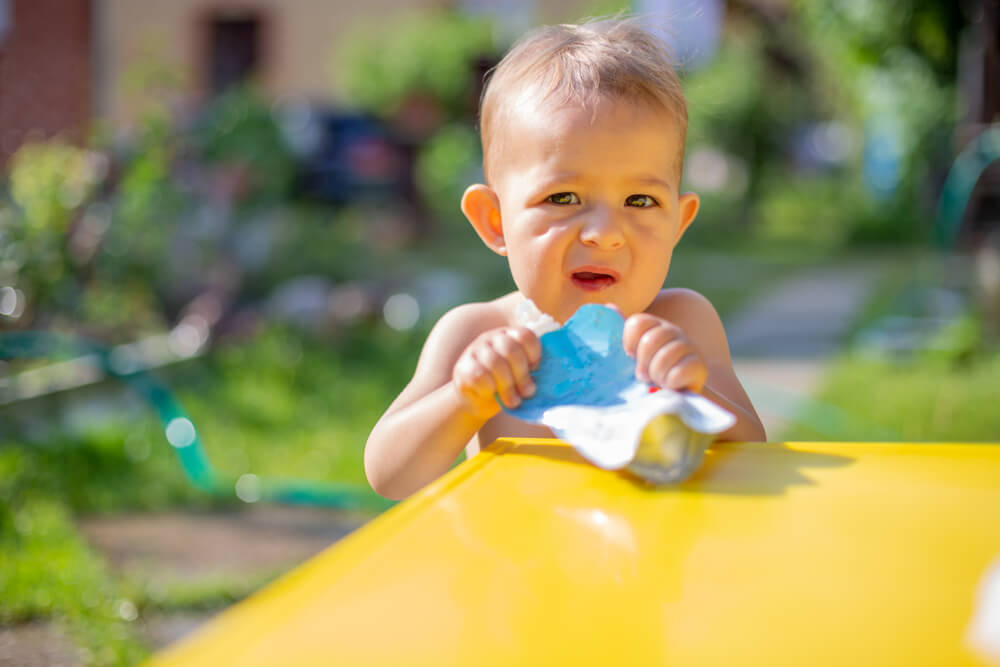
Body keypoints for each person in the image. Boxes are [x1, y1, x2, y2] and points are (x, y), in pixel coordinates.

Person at [365, 18, 765, 500]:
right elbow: (389, 475)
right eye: (564, 197)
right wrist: (464, 400)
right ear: (495, 221)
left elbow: (755, 453)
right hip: (518, 570)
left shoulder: (684, 325)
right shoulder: (477, 335)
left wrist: (691, 392)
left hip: (647, 567)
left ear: (678, 224)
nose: (604, 235)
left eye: (640, 201)